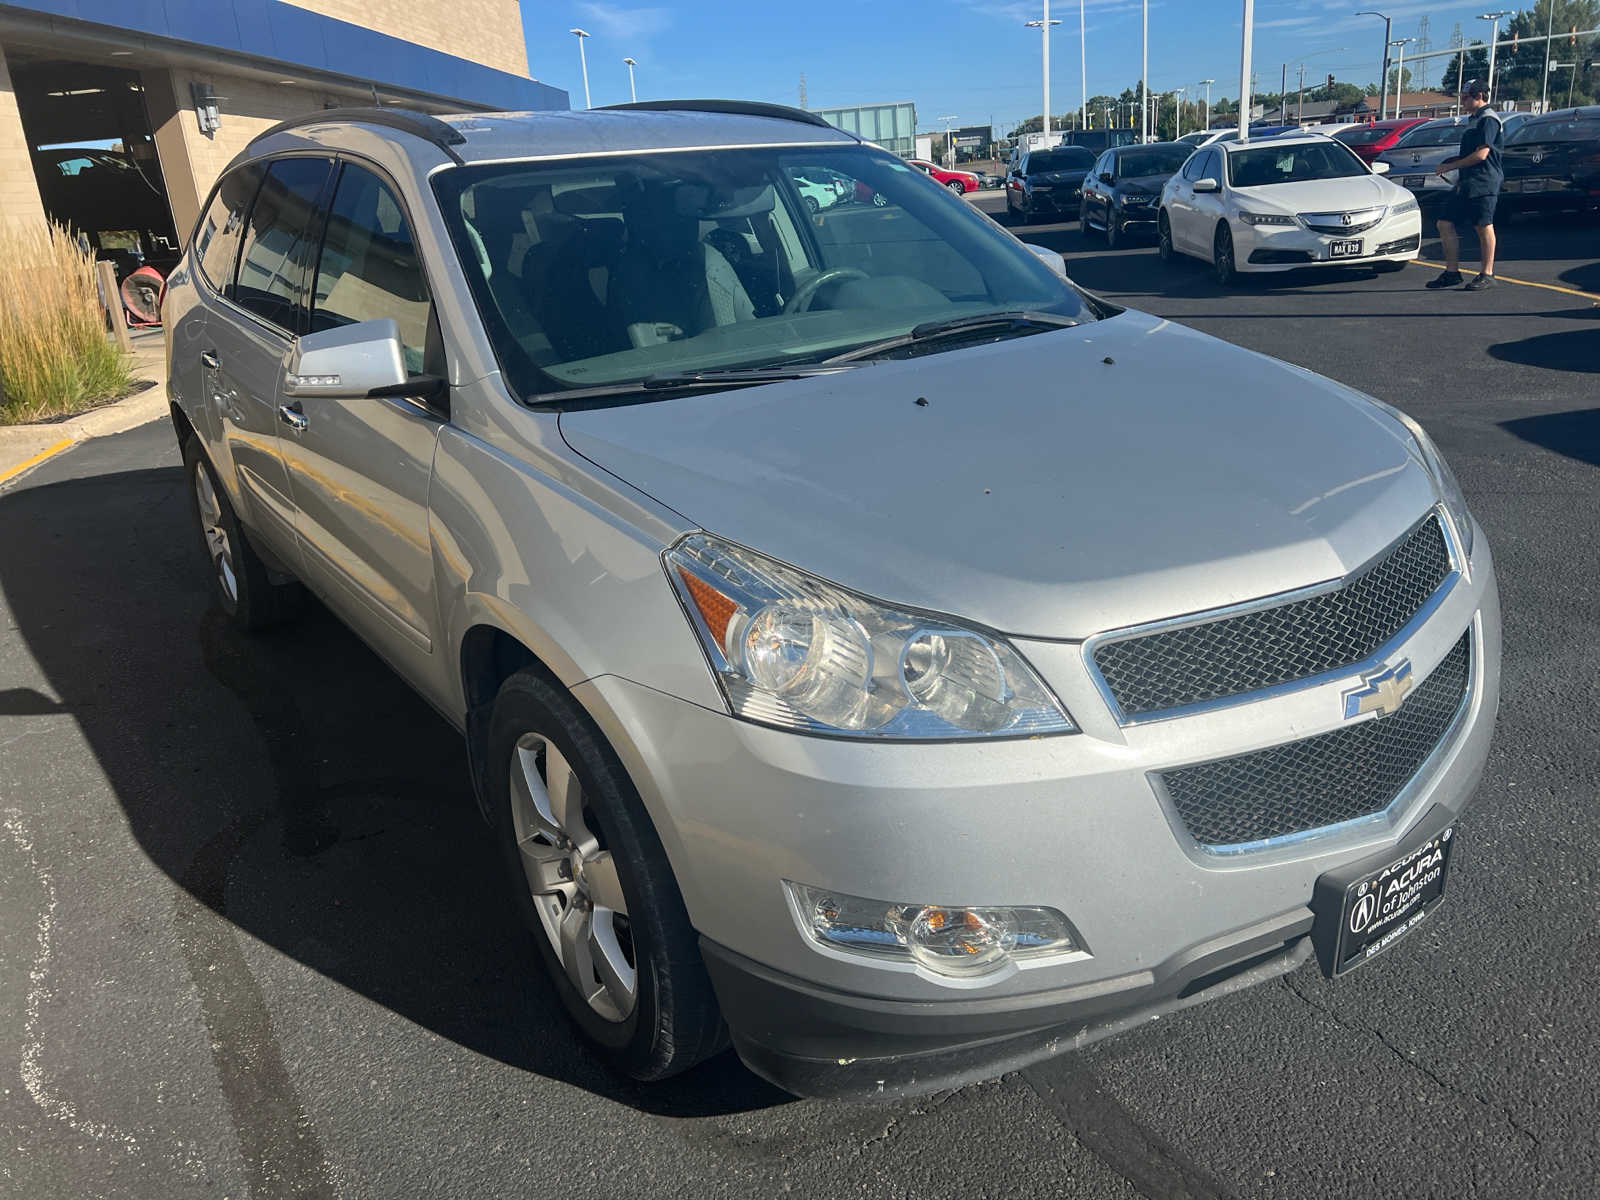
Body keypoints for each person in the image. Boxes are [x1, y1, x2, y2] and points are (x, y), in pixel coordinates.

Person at [1428, 80, 1504, 292]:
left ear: (1479, 95)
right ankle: (1452, 273)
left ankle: (1487, 274)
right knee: (1444, 222)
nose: (1462, 101)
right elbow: (1469, 152)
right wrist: (1450, 162)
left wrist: (1452, 165)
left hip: (1484, 180)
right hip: (1467, 181)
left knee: (1483, 225)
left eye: (1465, 97)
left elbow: (1482, 154)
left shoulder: (1488, 120)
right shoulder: (1474, 119)